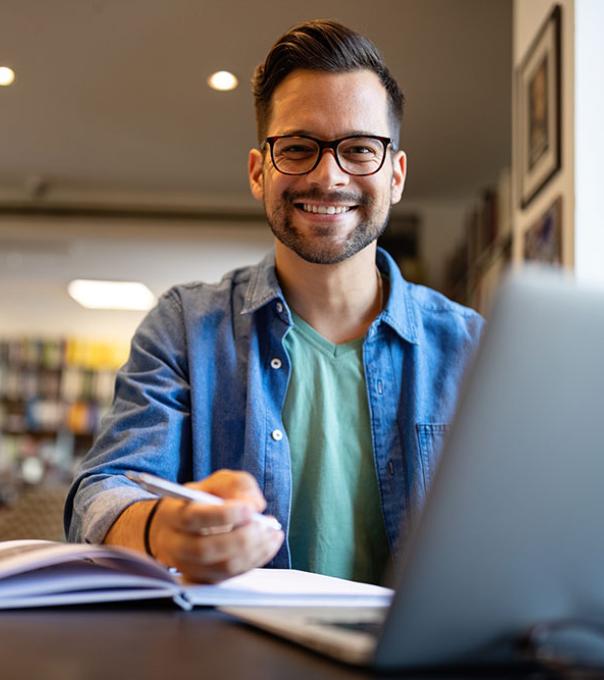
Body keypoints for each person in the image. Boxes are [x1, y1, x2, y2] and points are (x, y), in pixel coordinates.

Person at [65, 19, 483, 585]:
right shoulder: (185, 329)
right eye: (298, 147)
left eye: (360, 148)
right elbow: (105, 488)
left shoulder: (475, 349)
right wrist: (160, 527)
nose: (328, 175)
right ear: (260, 172)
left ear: (397, 175)